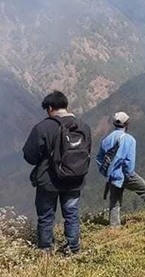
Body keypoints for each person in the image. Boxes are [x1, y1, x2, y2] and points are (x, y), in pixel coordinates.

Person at [23, 91, 92, 255]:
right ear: (65, 105)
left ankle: (46, 250)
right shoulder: (83, 126)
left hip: (49, 181)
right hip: (75, 179)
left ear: (50, 108)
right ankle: (74, 248)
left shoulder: (43, 127)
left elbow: (30, 156)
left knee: (46, 217)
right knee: (71, 215)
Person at [96, 112, 145, 226]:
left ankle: (114, 227)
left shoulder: (106, 140)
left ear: (114, 123)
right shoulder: (129, 139)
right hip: (125, 175)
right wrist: (128, 175)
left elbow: (99, 158)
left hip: (112, 176)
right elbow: (129, 162)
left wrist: (108, 172)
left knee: (115, 202)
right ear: (127, 123)